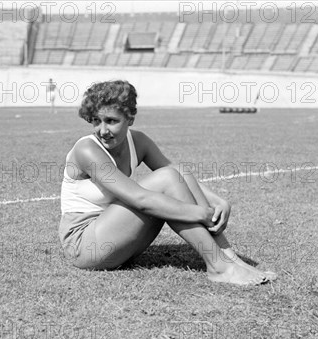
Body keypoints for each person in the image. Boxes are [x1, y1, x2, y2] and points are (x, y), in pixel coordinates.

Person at [58, 80, 277, 286]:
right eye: (96, 120)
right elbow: (140, 199)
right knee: (167, 178)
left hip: (117, 237)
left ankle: (229, 258)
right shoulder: (87, 150)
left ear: (130, 118)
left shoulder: (139, 141)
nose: (103, 130)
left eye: (111, 121)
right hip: (84, 245)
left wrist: (217, 201)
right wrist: (201, 213)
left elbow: (178, 172)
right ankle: (219, 267)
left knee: (174, 173)